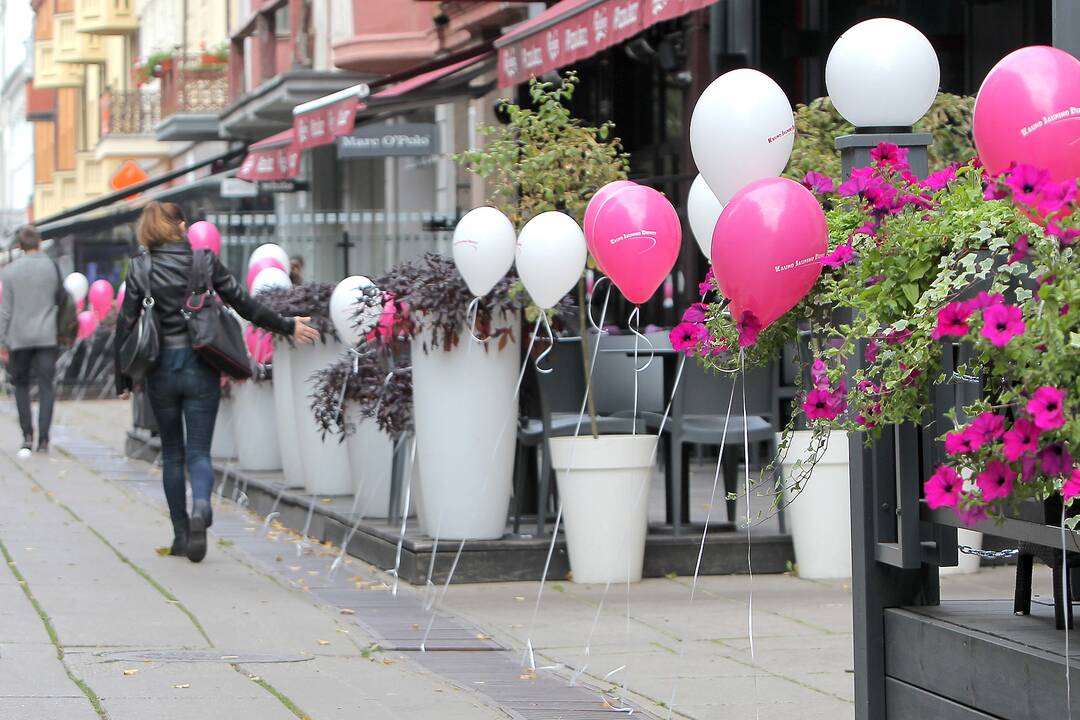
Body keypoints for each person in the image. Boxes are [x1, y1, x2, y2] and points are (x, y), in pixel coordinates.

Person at [115, 202, 319, 563]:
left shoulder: (141, 268)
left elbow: (126, 325)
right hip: (201, 366)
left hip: (161, 370)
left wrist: (123, 377)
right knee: (198, 452)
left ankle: (180, 535)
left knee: (173, 454)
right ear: (179, 227)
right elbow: (243, 304)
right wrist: (287, 325)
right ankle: (202, 509)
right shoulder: (203, 261)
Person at [0, 226, 61, 453]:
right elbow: (60, 300)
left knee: (21, 386)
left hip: (19, 338)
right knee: (47, 387)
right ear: (39, 242)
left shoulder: (10, 271)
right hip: (46, 336)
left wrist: (2, 341)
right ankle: (44, 438)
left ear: (19, 246)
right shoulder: (51, 267)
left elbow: (5, 311)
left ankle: (27, 435)